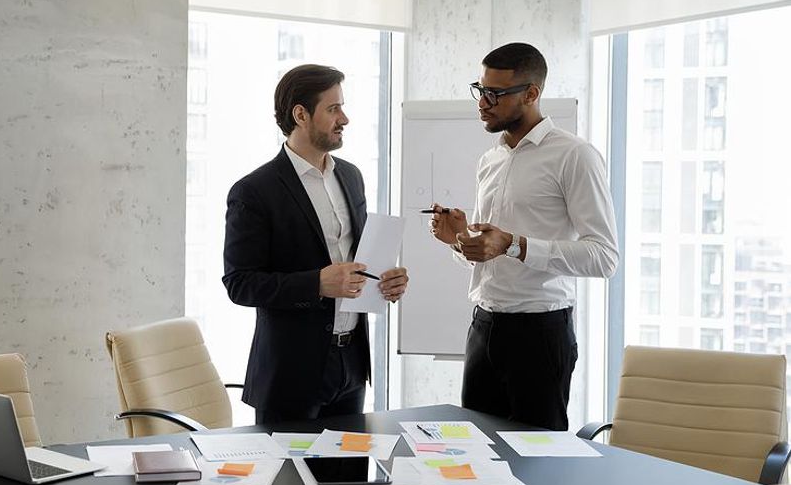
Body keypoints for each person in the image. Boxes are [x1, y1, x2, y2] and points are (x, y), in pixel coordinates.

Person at [429, 42, 618, 431]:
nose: (482, 102)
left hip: (540, 334)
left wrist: (514, 245)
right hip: (483, 328)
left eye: (495, 94)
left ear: (531, 94)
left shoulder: (574, 156)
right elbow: (489, 248)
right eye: (480, 90)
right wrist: (460, 238)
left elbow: (604, 257)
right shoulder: (490, 160)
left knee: (538, 467)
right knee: (476, 457)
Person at [223, 63, 409, 425]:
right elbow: (239, 283)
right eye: (334, 108)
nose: (345, 118)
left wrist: (384, 280)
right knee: (289, 483)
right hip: (290, 375)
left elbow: (355, 260)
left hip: (352, 367)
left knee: (350, 480)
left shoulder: (352, 177)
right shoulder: (254, 191)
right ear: (300, 115)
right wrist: (317, 284)